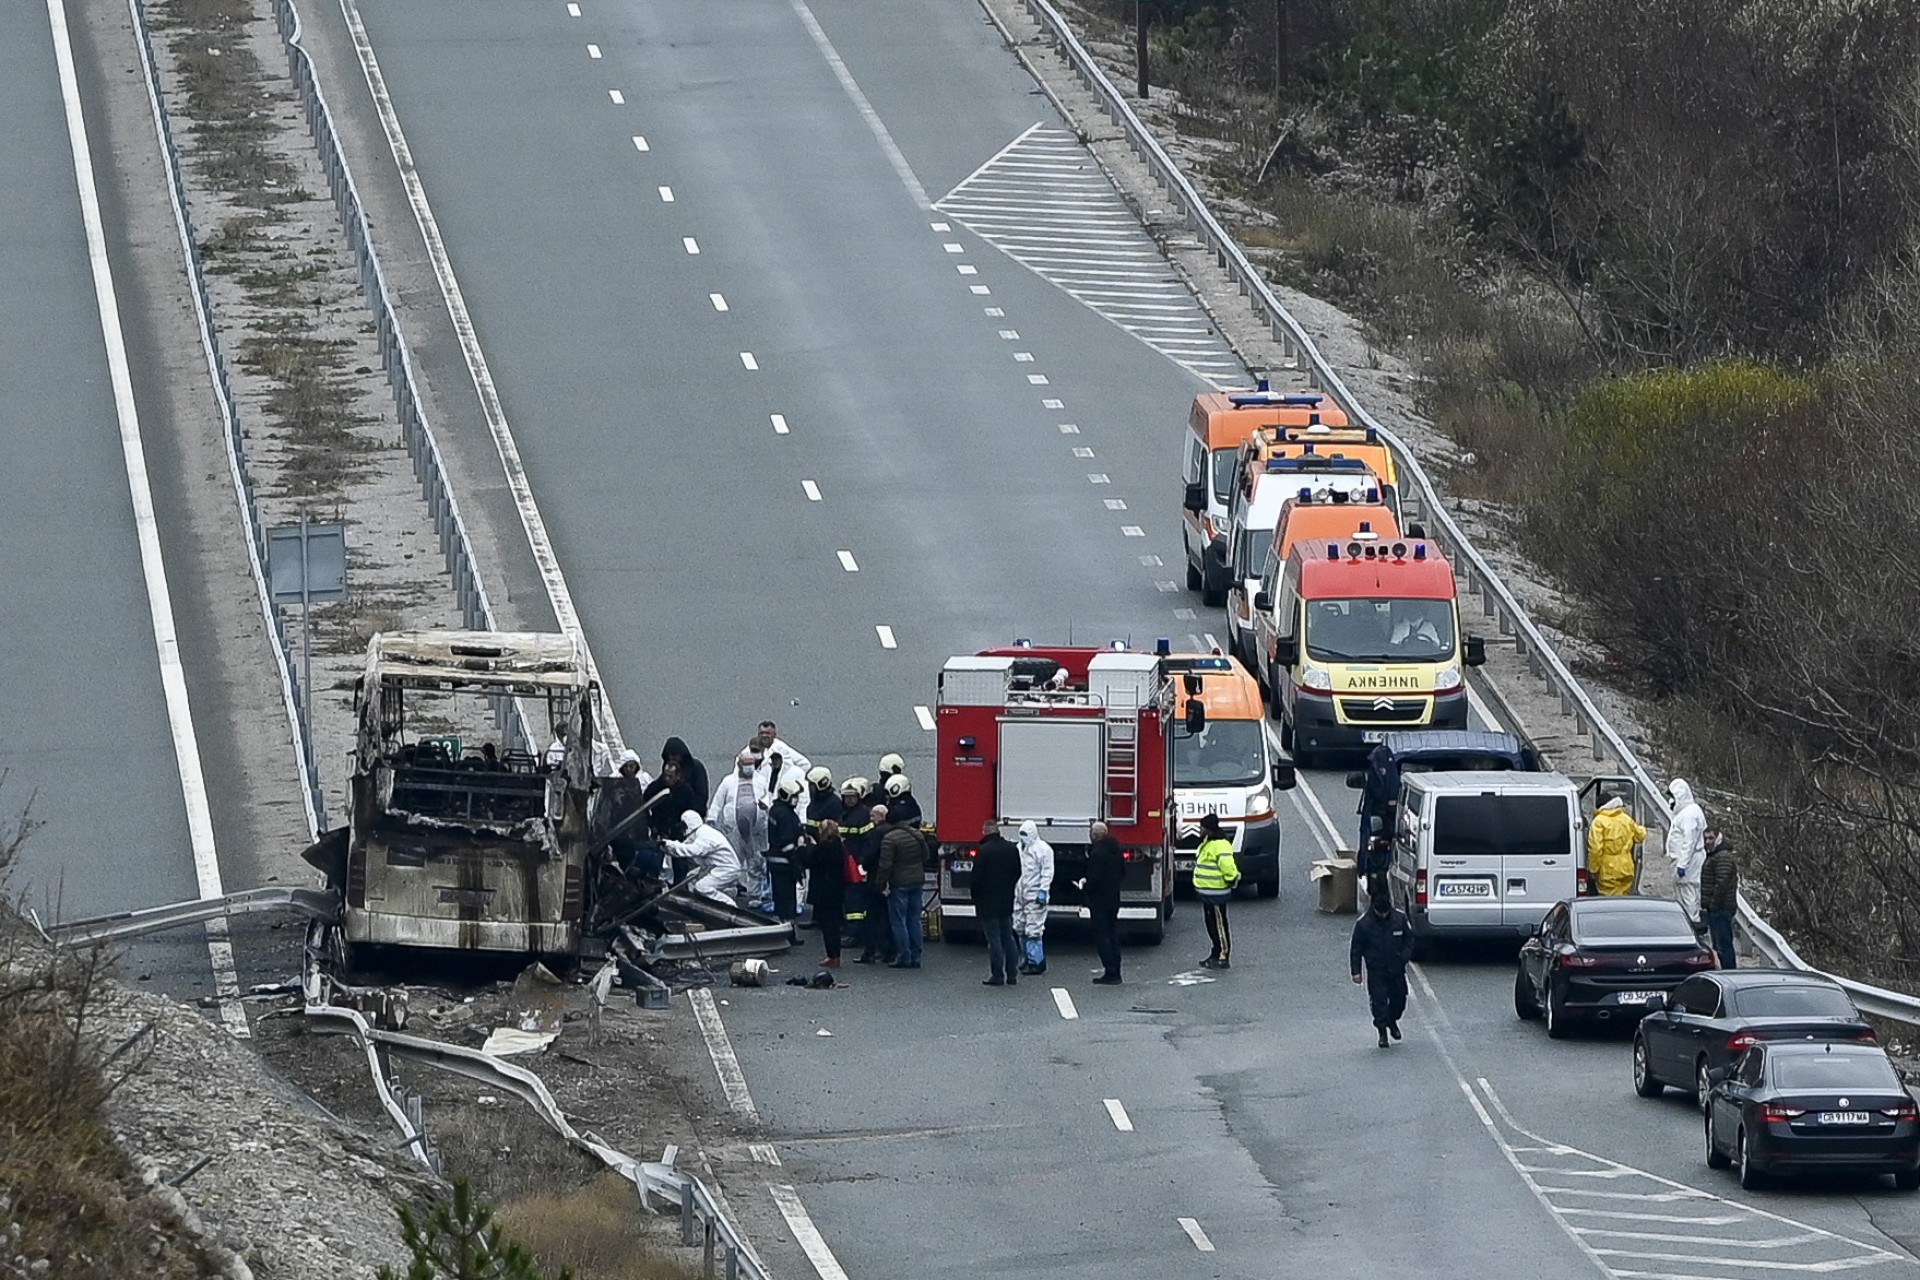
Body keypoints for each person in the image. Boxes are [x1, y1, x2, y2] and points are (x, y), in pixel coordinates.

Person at [1350, 890, 1416, 1047]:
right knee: (1379, 1003)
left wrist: (1404, 956)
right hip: (1376, 971)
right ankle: (1382, 1032)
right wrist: (1356, 971)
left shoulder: (1399, 919)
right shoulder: (1364, 924)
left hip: (1396, 969)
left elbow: (1409, 939)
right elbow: (1356, 949)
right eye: (1381, 913)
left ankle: (1392, 1021)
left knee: (1399, 1000)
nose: (1384, 915)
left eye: (1386, 912)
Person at [709, 751, 772, 912]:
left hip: (756, 831)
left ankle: (755, 895)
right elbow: (717, 801)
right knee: (732, 861)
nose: (749, 767)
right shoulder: (728, 782)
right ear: (739, 764)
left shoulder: (761, 781)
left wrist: (766, 806)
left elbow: (769, 797)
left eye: (752, 764)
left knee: (756, 862)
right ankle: (729, 890)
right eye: (746, 764)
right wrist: (712, 818)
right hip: (734, 830)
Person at [840, 780, 889, 964]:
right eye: (847, 797)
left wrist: (861, 862)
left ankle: (855, 934)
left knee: (856, 902)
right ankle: (854, 932)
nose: (849, 800)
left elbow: (868, 842)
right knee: (850, 900)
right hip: (847, 862)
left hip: (856, 864)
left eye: (852, 797)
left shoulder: (862, 815)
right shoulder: (844, 813)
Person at [873, 804, 928, 969]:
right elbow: (926, 855)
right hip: (917, 880)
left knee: (899, 921)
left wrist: (879, 884)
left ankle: (904, 956)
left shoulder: (890, 839)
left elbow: (885, 865)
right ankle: (916, 956)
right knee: (914, 919)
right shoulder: (916, 834)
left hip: (899, 883)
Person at [593, 749, 658, 880]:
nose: (629, 769)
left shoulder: (644, 778)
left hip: (638, 821)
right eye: (626, 766)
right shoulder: (614, 779)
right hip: (620, 822)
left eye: (631, 766)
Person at [971, 820, 1022, 986]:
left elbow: (976, 879)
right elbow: (1017, 872)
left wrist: (976, 897)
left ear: (985, 831)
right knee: (1008, 937)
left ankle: (998, 975)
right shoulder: (1011, 848)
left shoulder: (983, 851)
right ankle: (1012, 974)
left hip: (988, 901)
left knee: (994, 939)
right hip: (1006, 899)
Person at [663, 810, 742, 903]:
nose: (682, 830)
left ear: (690, 825)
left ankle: (729, 905)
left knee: (702, 887)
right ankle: (702, 904)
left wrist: (670, 844)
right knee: (691, 878)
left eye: (683, 827)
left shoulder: (706, 835)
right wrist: (666, 847)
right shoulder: (697, 833)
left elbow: (692, 850)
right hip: (715, 867)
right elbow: (683, 846)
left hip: (727, 869)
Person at [1192, 813, 1239, 970]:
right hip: (1208, 892)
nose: (1200, 830)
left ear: (1209, 829)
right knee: (1211, 924)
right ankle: (1215, 952)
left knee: (1219, 925)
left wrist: (1232, 878)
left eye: (1202, 827)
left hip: (1217, 893)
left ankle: (1223, 956)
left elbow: (1228, 866)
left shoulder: (1220, 845)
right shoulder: (1209, 842)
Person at [1083, 820, 1124, 984]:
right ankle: (1116, 970)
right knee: (1112, 934)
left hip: (1099, 901)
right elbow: (1122, 872)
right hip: (1113, 898)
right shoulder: (1115, 850)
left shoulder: (1097, 854)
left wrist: (1084, 888)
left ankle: (1110, 971)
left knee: (1102, 936)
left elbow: (1094, 879)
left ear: (1094, 836)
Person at [1014, 820, 1055, 976]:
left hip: (1035, 895)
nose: (1023, 837)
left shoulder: (1043, 850)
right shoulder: (1018, 848)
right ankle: (1025, 958)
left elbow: (1047, 872)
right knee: (1019, 926)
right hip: (1020, 894)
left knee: (1034, 929)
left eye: (1025, 834)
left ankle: (1036, 962)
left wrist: (1043, 891)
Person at [806, 818, 849, 967]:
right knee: (835, 924)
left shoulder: (823, 848)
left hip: (824, 891)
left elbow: (810, 861)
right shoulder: (840, 846)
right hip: (837, 890)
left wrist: (808, 847)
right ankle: (836, 955)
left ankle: (832, 955)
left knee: (827, 925)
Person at [1664, 778, 1707, 923]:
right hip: (1685, 859)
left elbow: (1689, 841)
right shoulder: (1686, 812)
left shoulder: (1689, 814)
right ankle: (1684, 922)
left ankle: (1692, 923)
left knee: (1688, 892)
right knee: (1682, 893)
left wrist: (1682, 864)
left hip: (1689, 860)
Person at [1586, 797, 1646, 897]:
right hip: (1627, 866)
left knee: (1610, 900)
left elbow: (1595, 849)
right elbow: (1639, 835)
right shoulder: (1625, 818)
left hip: (1608, 869)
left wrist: (1593, 869)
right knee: (1624, 897)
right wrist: (1643, 829)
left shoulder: (1598, 821)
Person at [767, 777, 806, 920]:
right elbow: (787, 844)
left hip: (775, 862)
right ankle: (788, 928)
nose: (797, 799)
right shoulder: (786, 815)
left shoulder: (775, 810)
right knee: (787, 902)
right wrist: (797, 865)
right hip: (785, 864)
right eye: (794, 796)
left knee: (779, 899)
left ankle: (781, 924)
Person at [1700, 828, 1739, 969]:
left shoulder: (1722, 857)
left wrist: (1713, 904)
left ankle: (1729, 971)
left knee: (1724, 944)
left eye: (1711, 838)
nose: (1707, 842)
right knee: (1719, 945)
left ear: (1718, 838)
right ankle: (1726, 970)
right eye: (1706, 838)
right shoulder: (1715, 855)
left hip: (1721, 909)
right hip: (1717, 909)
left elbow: (1722, 883)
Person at [641, 757, 697, 842]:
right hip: (659, 831)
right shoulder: (655, 788)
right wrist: (651, 823)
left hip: (678, 833)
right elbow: (643, 806)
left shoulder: (686, 791)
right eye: (665, 775)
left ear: (678, 776)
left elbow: (692, 811)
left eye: (670, 776)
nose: (667, 779)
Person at [661, 737, 711, 811]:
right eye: (669, 756)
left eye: (674, 755)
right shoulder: (667, 768)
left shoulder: (696, 767)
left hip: (692, 812)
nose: (672, 758)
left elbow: (701, 796)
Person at [801, 767, 843, 839]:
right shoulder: (815, 800)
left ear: (821, 784)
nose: (809, 787)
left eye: (811, 784)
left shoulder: (834, 804)